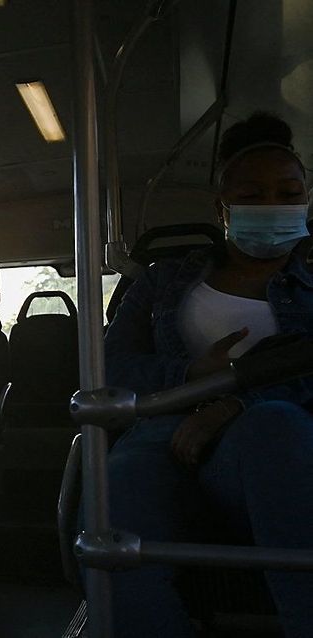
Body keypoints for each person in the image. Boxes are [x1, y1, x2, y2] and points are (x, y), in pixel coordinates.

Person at [104, 111, 313, 637]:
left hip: (270, 439)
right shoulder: (162, 281)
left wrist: (235, 401)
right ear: (223, 208)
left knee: (276, 426)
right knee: (121, 482)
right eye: (254, 195)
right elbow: (108, 367)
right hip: (159, 431)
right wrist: (191, 371)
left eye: (289, 195)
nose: (273, 208)